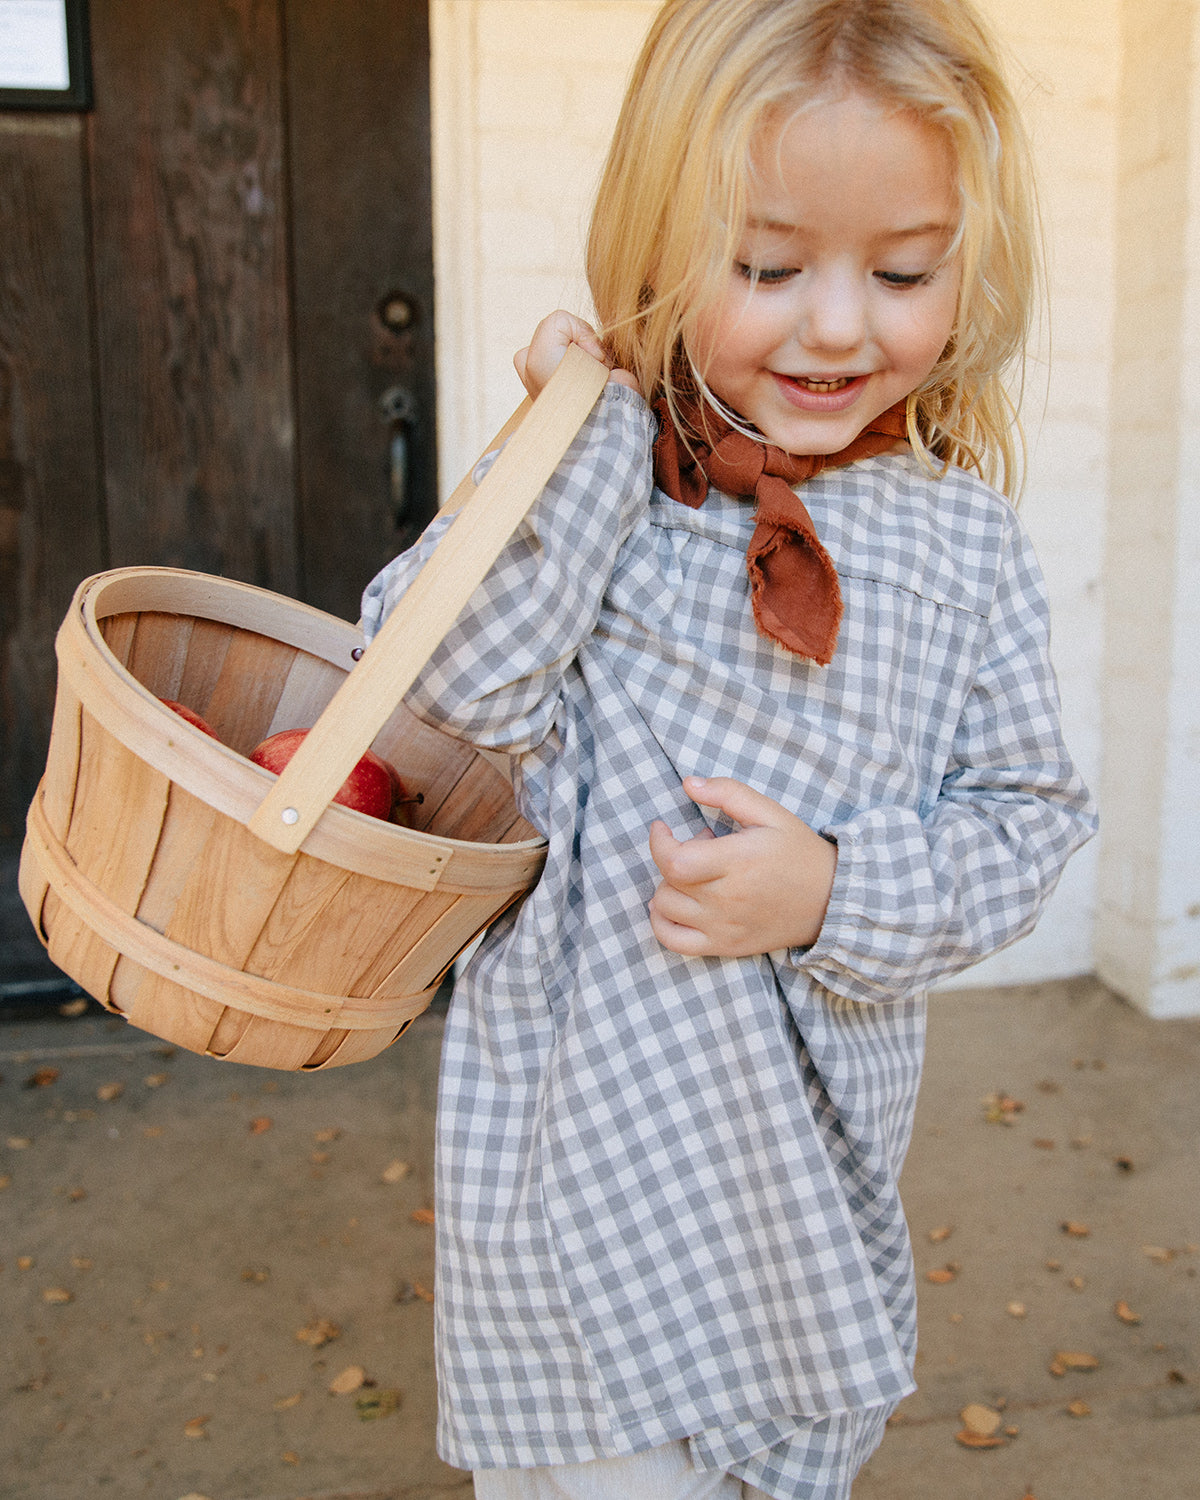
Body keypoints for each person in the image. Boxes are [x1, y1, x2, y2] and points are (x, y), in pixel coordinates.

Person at [361, 2, 1097, 1496]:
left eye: (902, 272)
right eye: (766, 267)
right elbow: (438, 699)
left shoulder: (963, 547)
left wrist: (836, 890)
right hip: (577, 1186)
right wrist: (566, 445)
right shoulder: (604, 475)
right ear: (659, 239)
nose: (839, 324)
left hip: (797, 1205)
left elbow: (1029, 814)